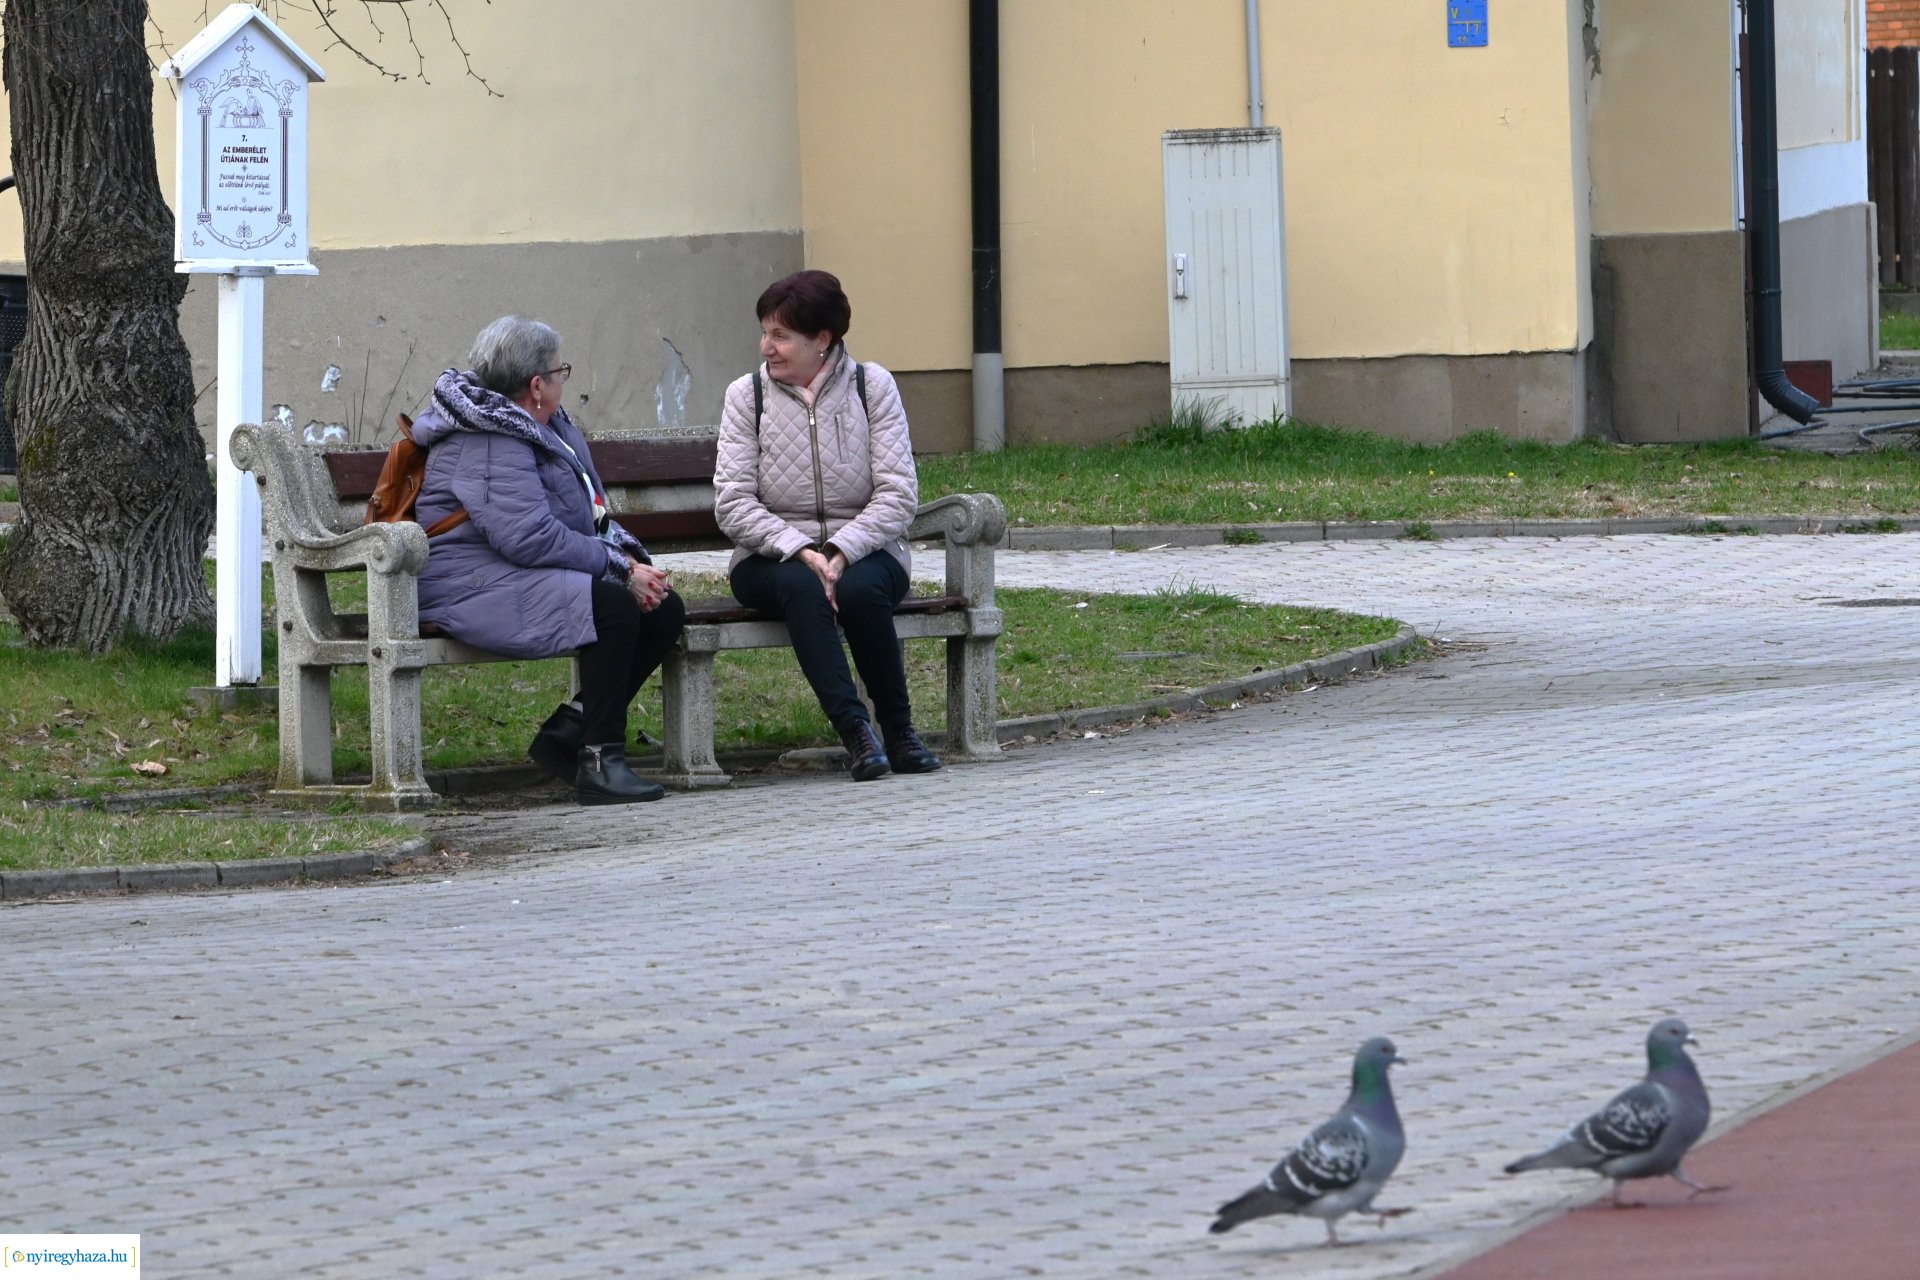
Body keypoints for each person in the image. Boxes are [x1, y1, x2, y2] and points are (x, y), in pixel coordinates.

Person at [410, 316, 686, 805]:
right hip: (468, 582)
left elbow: (585, 512)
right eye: (562, 371)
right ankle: (601, 762)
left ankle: (570, 734)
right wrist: (619, 570)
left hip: (509, 570)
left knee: (662, 608)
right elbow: (528, 536)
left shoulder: (543, 424)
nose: (565, 379)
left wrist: (629, 563)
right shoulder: (491, 438)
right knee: (613, 607)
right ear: (537, 385)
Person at [714, 269, 941, 781]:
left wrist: (841, 549)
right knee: (803, 588)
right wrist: (799, 549)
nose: (766, 346)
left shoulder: (872, 386)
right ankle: (857, 733)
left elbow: (898, 493)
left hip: (865, 549)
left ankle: (900, 732)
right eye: (765, 332)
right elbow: (732, 502)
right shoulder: (745, 396)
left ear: (823, 339)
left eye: (780, 335)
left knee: (861, 591)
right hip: (770, 558)